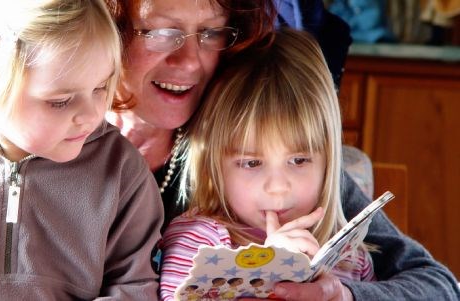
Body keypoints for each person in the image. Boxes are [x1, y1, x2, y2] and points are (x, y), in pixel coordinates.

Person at [103, 0, 460, 300]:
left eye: (212, 32)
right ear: (108, 30)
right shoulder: (64, 147)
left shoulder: (255, 131)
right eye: (163, 32)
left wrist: (343, 294)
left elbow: (437, 285)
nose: (191, 61)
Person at [0, 0, 163, 299]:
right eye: (60, 101)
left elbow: (135, 287)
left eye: (101, 87)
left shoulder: (120, 169)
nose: (91, 115)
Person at [159, 28, 376, 300]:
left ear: (328, 163)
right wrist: (268, 268)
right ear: (214, 166)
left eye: (298, 160)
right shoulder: (200, 242)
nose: (277, 187)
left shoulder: (350, 258)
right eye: (251, 163)